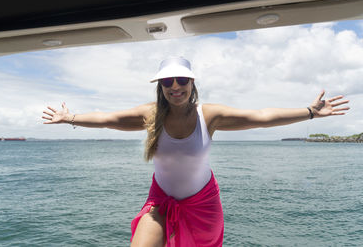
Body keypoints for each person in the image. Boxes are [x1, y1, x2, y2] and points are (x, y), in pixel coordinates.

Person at [42, 57, 350, 247]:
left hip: (203, 204)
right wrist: (70, 117)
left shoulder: (209, 115)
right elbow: (107, 120)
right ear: (160, 85)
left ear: (192, 82)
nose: (175, 86)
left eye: (182, 80)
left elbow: (261, 116)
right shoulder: (149, 115)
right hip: (160, 201)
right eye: (167, 81)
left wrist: (309, 112)